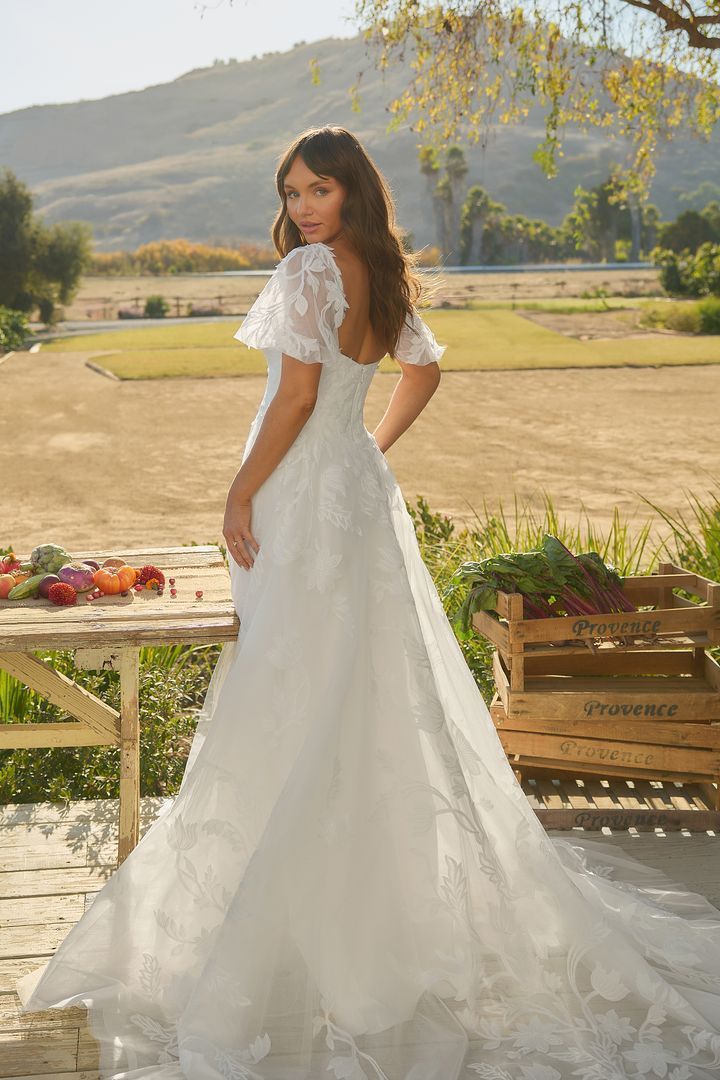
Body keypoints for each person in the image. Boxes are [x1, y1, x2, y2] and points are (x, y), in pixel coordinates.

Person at [15, 126, 720, 1080]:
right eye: (293, 191)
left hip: (302, 502)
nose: (305, 207)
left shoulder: (310, 273)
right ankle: (360, 927)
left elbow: (296, 400)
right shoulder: (380, 270)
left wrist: (236, 492)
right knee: (363, 692)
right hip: (357, 502)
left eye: (320, 189)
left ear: (352, 190)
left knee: (291, 688)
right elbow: (421, 371)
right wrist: (372, 449)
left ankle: (300, 929)